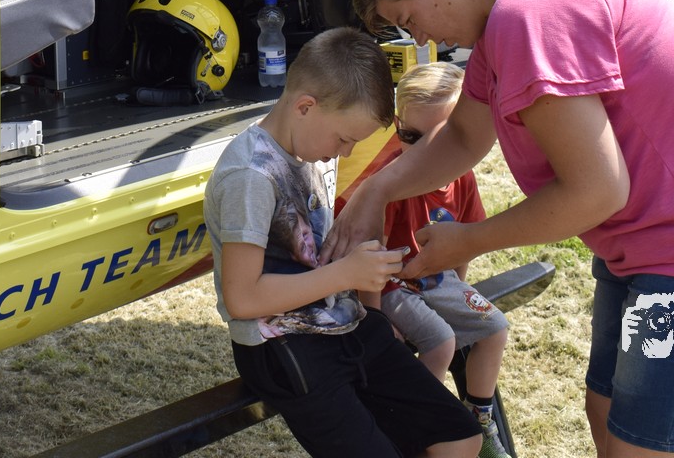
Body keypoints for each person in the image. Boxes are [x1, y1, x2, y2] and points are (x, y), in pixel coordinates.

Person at [324, 0, 674, 458]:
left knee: (639, 447)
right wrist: (375, 190)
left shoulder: (529, 13)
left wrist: (468, 241)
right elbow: (462, 135)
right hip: (650, 245)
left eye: (409, 20)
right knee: (605, 412)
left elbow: (596, 191)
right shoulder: (517, 1)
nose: (420, 37)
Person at [205, 26, 481, 458]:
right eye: (345, 139)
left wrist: (366, 282)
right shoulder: (251, 176)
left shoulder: (307, 147)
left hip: (345, 326)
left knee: (461, 437)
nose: (346, 153)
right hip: (286, 348)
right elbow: (242, 299)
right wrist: (346, 273)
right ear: (305, 107)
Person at [352, 62, 512, 458]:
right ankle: (419, 426)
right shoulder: (391, 182)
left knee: (495, 328)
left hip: (436, 281)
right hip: (391, 285)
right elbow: (370, 260)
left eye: (436, 138)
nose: (420, 150)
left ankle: (480, 421)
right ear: (397, 126)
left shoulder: (462, 177)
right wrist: (376, 321)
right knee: (441, 343)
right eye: (410, 136)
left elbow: (464, 246)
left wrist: (458, 291)